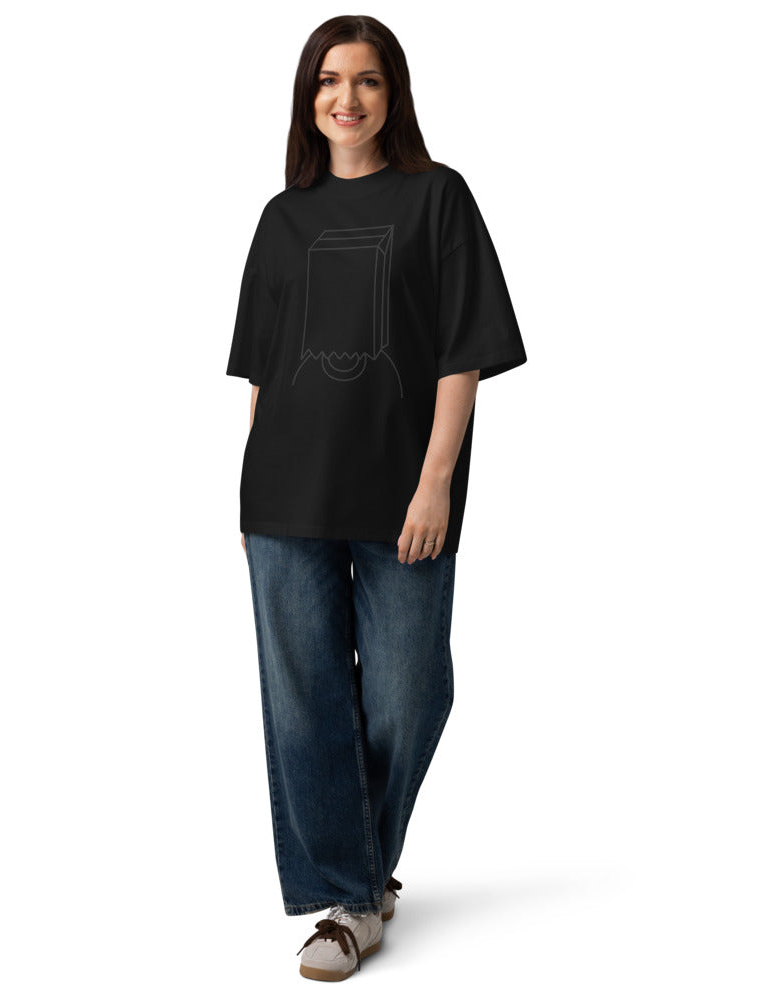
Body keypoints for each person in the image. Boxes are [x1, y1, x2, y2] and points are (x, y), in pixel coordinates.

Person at [225, 14, 527, 982]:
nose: (344, 98)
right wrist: (250, 495)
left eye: (364, 80)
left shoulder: (438, 197)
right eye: (327, 80)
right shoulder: (282, 217)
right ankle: (350, 903)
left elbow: (462, 353)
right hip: (286, 495)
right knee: (304, 702)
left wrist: (435, 482)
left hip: (404, 494)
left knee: (408, 689)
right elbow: (264, 371)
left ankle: (353, 872)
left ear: (392, 94)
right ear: (306, 98)